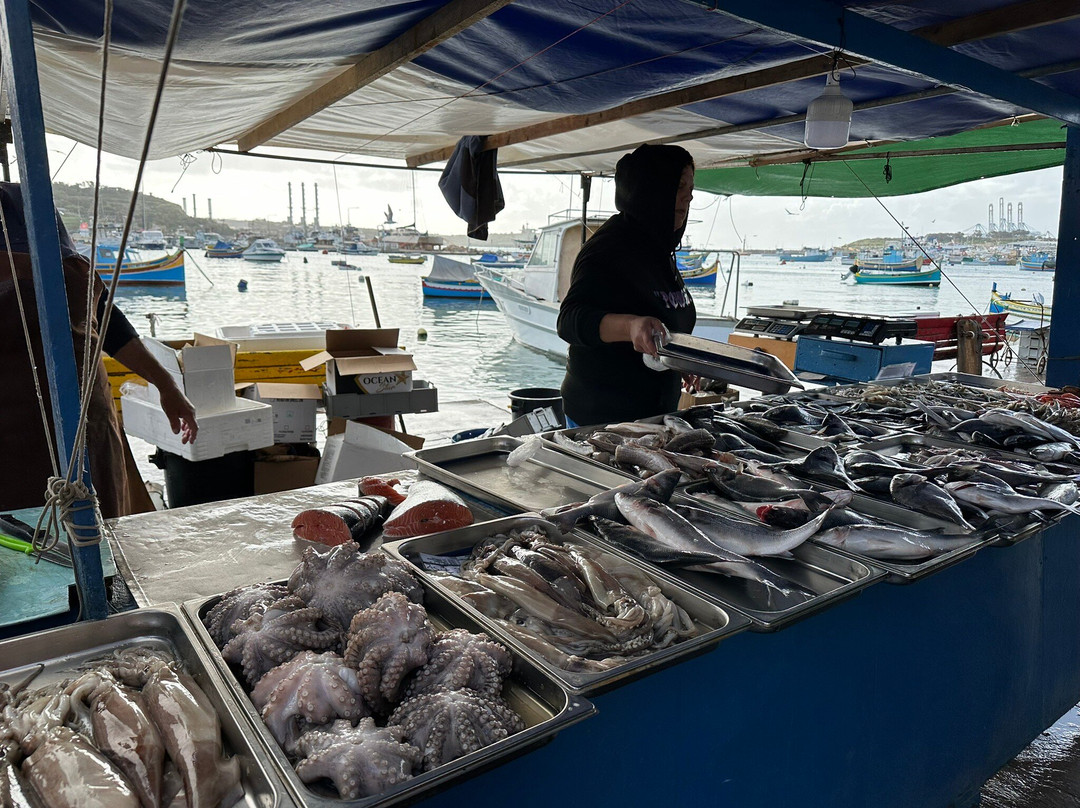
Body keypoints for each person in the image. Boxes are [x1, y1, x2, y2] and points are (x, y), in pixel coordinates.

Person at [0, 182, 197, 519]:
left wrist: (166, 385)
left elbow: (109, 324)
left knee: (98, 529)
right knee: (24, 548)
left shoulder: (35, 214)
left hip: (88, 423)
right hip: (12, 437)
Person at [557, 144, 697, 426]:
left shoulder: (658, 248)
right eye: (679, 185)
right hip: (601, 418)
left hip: (653, 415)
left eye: (691, 187)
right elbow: (569, 320)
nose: (689, 196)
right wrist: (631, 325)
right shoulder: (609, 248)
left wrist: (678, 358)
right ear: (653, 189)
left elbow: (663, 315)